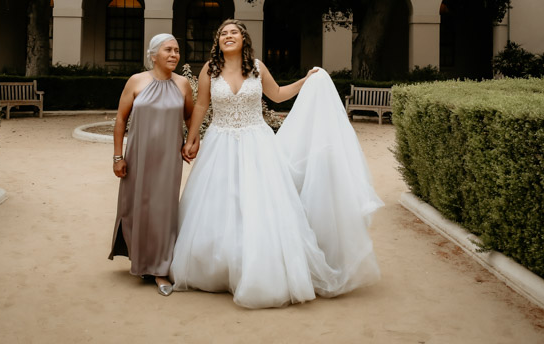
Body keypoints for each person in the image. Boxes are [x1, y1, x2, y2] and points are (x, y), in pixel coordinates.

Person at [171, 19, 383, 308]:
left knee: (260, 205)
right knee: (219, 204)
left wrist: (307, 81)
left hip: (257, 144)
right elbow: (202, 105)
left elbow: (279, 94)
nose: (228, 36)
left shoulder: (257, 68)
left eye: (234, 32)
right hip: (219, 143)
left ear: (244, 39)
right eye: (223, 33)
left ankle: (258, 269)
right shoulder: (210, 69)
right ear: (217, 41)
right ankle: (217, 268)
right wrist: (192, 137)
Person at [109, 34, 194, 296]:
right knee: (136, 206)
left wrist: (190, 142)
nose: (174, 55)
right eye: (168, 50)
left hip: (169, 158)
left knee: (163, 209)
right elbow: (121, 120)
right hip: (138, 156)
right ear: (153, 54)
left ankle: (159, 268)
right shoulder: (136, 81)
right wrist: (117, 157)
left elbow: (191, 117)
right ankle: (142, 260)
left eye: (177, 51)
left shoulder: (183, 84)